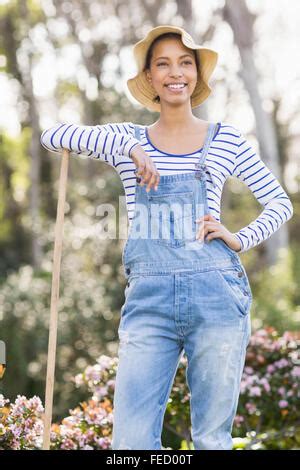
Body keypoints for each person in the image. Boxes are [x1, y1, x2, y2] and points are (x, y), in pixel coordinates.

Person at [40, 25, 293, 450]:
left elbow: (280, 203)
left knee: (212, 440)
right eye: (163, 64)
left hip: (217, 296)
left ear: (196, 75)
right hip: (149, 302)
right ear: (151, 77)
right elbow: (53, 136)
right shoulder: (128, 141)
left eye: (185, 63)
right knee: (131, 444)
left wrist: (239, 238)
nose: (175, 72)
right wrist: (128, 147)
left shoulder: (225, 139)